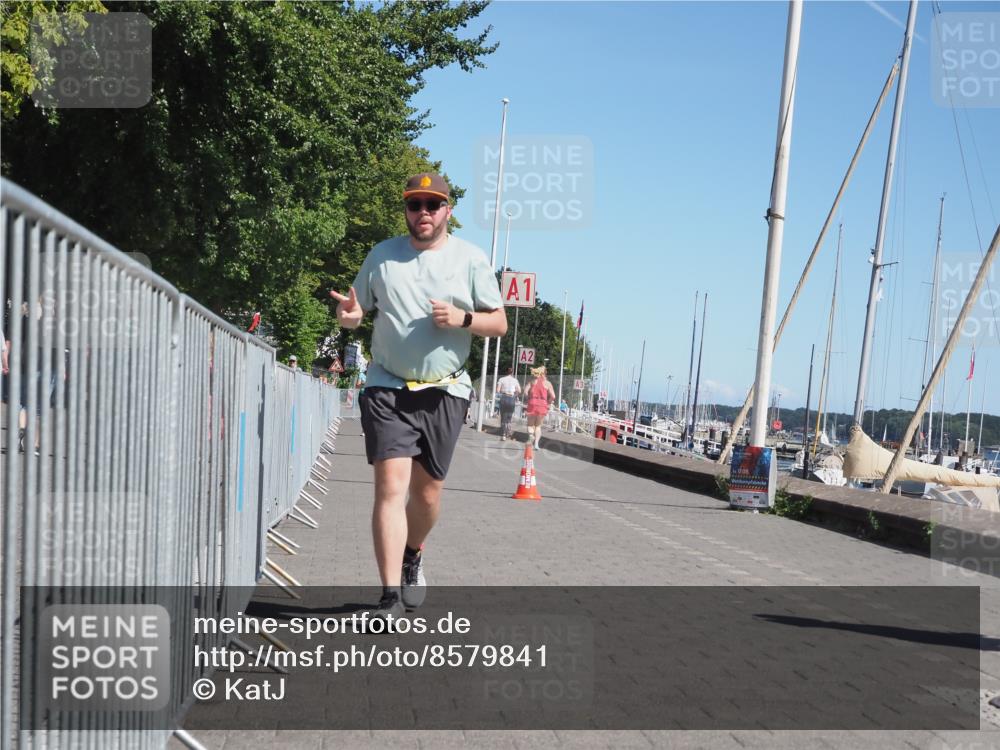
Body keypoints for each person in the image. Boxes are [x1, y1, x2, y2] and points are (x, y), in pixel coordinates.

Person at [329, 172, 507, 618]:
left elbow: (499, 323)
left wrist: (463, 319)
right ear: (405, 210)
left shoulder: (469, 258)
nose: (423, 213)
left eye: (433, 205)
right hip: (387, 385)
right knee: (390, 489)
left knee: (426, 496)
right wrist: (347, 315)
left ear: (448, 210)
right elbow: (354, 314)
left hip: (444, 390)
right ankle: (388, 598)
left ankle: (413, 553)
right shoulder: (382, 256)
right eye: (415, 205)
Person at [524, 365, 555, 449]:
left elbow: (525, 392)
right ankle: (536, 444)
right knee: (538, 426)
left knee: (530, 425)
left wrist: (529, 397)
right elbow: (553, 396)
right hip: (542, 405)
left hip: (532, 403)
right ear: (545, 373)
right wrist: (548, 402)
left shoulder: (532, 381)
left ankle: (531, 435)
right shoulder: (548, 383)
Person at [495, 366, 521, 440]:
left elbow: (498, 390)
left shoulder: (501, 379)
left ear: (506, 372)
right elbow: (519, 391)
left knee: (503, 417)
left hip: (504, 398)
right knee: (509, 417)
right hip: (512, 398)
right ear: (512, 372)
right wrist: (514, 394)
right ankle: (508, 433)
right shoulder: (515, 380)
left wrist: (503, 391)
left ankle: (503, 434)